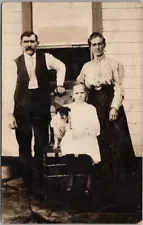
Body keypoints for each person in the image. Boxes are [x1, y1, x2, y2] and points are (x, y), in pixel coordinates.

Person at [8, 31, 66, 190]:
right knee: (24, 145)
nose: (29, 44)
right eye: (25, 42)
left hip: (40, 105)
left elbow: (61, 66)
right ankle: (28, 183)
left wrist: (60, 84)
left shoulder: (46, 58)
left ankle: (40, 182)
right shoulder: (15, 63)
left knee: (40, 144)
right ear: (21, 44)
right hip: (21, 107)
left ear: (37, 43)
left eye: (32, 41)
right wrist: (9, 114)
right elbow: (8, 90)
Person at [77, 32, 136, 186]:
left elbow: (119, 87)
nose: (97, 47)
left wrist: (114, 108)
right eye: (94, 44)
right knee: (99, 139)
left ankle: (120, 182)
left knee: (117, 142)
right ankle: (103, 181)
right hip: (95, 104)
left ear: (104, 45)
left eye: (100, 43)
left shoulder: (114, 64)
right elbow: (80, 85)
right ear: (90, 47)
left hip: (110, 101)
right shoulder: (86, 67)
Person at [58, 82, 101, 194]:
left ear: (86, 94)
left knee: (86, 150)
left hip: (87, 134)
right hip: (72, 134)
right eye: (77, 93)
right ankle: (71, 176)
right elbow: (58, 123)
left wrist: (85, 131)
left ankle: (88, 178)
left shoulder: (91, 108)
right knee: (69, 148)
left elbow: (96, 128)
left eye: (82, 92)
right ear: (72, 95)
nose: (80, 95)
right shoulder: (67, 108)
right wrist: (63, 127)